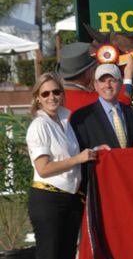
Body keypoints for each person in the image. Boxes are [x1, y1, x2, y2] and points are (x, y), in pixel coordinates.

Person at [26, 73, 97, 259]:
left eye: (56, 92)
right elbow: (43, 168)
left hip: (71, 200)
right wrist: (78, 159)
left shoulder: (65, 122)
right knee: (49, 255)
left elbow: (72, 155)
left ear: (62, 94)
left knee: (67, 254)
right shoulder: (39, 125)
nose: (51, 97)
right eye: (45, 93)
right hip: (48, 200)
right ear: (38, 98)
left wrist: (95, 151)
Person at [71, 63, 133, 150]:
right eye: (102, 81)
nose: (107, 85)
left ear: (121, 83)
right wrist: (95, 151)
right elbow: (77, 152)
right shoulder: (81, 118)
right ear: (96, 85)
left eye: (112, 80)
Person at [57, 42, 133, 112]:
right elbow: (124, 101)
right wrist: (128, 74)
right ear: (86, 73)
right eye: (92, 68)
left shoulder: (55, 99)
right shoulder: (93, 100)